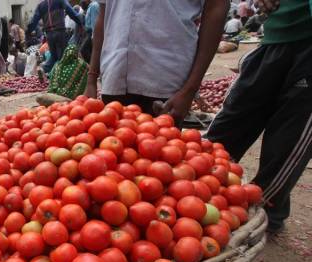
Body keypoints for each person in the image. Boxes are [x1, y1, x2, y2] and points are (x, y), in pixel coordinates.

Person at [205, 0, 312, 234]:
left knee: (287, 141)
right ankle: (199, 188)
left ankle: (265, 211)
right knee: (229, 124)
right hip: (275, 38)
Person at [84, 0, 228, 125]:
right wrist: (91, 80)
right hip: (114, 79)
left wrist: (190, 90)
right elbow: (103, 17)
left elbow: (217, 7)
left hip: (166, 84)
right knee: (109, 153)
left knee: (163, 153)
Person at [27, 0, 84, 73]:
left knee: (54, 56)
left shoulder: (41, 5)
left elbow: (33, 21)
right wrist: (81, 22)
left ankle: (43, 69)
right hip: (60, 32)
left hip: (49, 35)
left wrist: (28, 31)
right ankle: (60, 76)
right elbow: (71, 12)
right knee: (62, 57)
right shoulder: (60, 1)